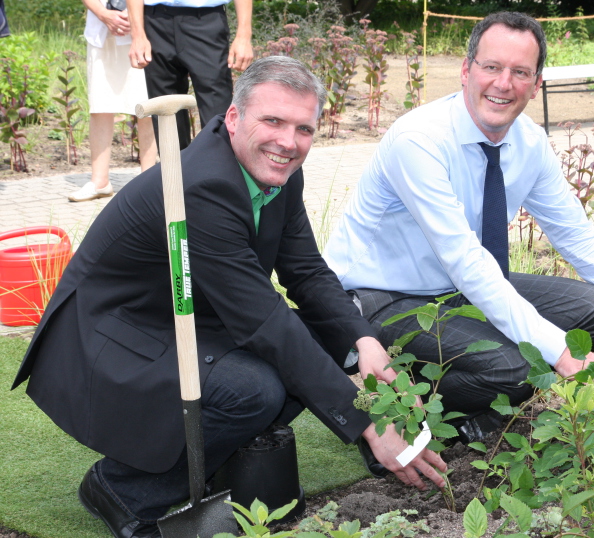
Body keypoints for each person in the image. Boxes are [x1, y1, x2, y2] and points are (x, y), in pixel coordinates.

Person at [12, 57, 446, 538]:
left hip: (189, 317)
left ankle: (230, 458)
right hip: (112, 336)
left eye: (304, 128)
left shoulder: (277, 170)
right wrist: (366, 420)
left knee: (333, 338)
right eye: (273, 121)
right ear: (234, 118)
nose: (288, 141)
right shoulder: (202, 187)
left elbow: (304, 271)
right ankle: (121, 490)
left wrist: (362, 340)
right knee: (255, 389)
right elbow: (265, 321)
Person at [324, 11, 594, 445]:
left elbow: (578, 236)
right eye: (491, 67)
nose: (503, 83)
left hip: (453, 292)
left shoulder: (529, 143)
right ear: (466, 70)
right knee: (516, 362)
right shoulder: (418, 140)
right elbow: (466, 259)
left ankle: (468, 399)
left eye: (520, 72)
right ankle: (402, 423)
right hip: (384, 298)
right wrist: (560, 353)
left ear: (537, 83)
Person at [126, 0, 253, 150]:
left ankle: (217, 171)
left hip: (206, 22)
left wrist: (244, 35)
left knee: (216, 110)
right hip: (154, 23)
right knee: (165, 111)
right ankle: (174, 173)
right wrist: (137, 34)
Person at [69, 0, 157, 203]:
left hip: (144, 27)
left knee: (146, 104)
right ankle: (100, 181)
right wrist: (103, 13)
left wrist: (133, 15)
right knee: (100, 103)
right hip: (101, 28)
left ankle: (149, 179)